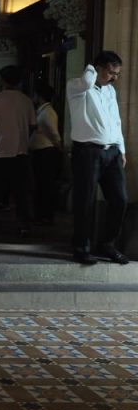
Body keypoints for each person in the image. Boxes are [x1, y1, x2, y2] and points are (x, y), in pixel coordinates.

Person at [66, 51, 129, 265]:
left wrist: (121, 150)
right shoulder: (77, 87)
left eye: (117, 74)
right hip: (87, 152)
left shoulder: (110, 91)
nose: (114, 78)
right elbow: (86, 82)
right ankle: (81, 247)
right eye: (111, 73)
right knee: (86, 201)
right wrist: (91, 69)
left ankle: (107, 245)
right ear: (97, 69)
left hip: (111, 152)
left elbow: (116, 120)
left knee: (120, 199)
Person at [0, 65, 36, 234]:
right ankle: (24, 225)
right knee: (21, 192)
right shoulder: (26, 100)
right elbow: (33, 125)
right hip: (21, 151)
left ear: (3, 80)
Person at [30, 82, 62, 225]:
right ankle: (41, 213)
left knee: (45, 185)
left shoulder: (48, 112)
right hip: (41, 152)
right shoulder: (42, 111)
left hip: (46, 152)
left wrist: (59, 147)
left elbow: (54, 134)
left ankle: (46, 214)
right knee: (41, 184)